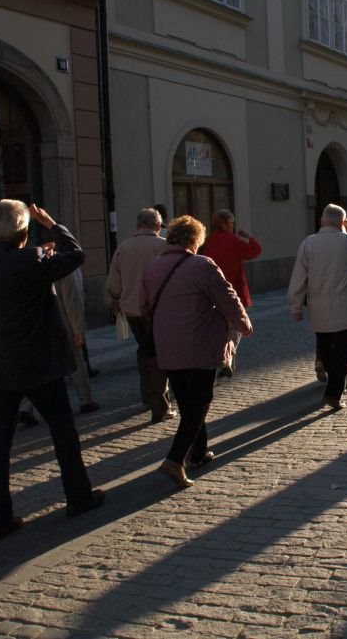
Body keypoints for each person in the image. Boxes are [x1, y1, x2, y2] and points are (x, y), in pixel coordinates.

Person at [0, 200, 103, 541]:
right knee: (62, 432)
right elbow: (75, 255)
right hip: (39, 362)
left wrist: (40, 256)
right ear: (25, 231)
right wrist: (53, 224)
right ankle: (78, 495)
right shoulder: (33, 260)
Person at [143, 216, 252, 488]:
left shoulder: (154, 267)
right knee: (199, 403)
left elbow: (143, 306)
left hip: (168, 347)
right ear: (195, 240)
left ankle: (199, 453)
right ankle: (175, 459)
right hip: (200, 345)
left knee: (186, 401)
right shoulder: (201, 265)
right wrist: (244, 325)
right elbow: (228, 298)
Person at [287, 204, 347, 410]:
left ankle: (333, 380)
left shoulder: (308, 243)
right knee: (345, 351)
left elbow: (299, 276)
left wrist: (296, 305)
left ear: (321, 220)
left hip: (320, 308)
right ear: (342, 223)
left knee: (327, 348)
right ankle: (334, 393)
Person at [105, 208, 172, 423]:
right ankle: (159, 404)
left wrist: (117, 298)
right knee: (159, 355)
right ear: (157, 225)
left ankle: (149, 396)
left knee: (145, 351)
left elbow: (113, 284)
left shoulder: (123, 247)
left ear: (138, 225)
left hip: (132, 310)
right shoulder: (164, 246)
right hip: (159, 310)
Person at [201, 209, 262, 377]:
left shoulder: (210, 240)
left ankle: (223, 356)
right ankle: (227, 357)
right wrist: (249, 236)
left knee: (220, 326)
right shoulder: (233, 240)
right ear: (224, 224)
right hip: (232, 287)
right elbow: (255, 251)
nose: (232, 226)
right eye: (231, 223)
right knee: (236, 326)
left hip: (212, 290)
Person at [54, 262, 100, 414]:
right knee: (75, 361)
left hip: (45, 327)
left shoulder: (35, 266)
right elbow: (72, 301)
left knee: (44, 365)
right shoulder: (65, 267)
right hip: (64, 325)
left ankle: (26, 407)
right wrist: (78, 329)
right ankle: (85, 399)